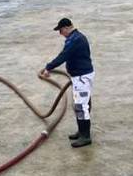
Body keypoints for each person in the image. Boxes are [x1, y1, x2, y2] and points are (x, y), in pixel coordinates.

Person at [40, 17, 95, 148]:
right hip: (80, 76)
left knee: (81, 106)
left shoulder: (75, 40)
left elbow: (63, 56)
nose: (60, 34)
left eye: (60, 31)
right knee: (82, 104)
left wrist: (48, 67)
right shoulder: (76, 37)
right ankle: (81, 132)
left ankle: (85, 137)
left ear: (66, 28)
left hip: (82, 77)